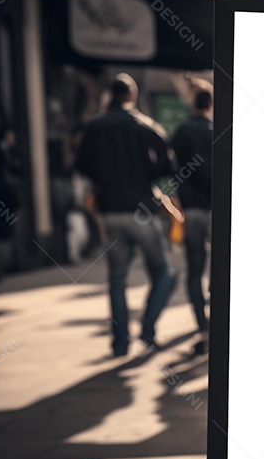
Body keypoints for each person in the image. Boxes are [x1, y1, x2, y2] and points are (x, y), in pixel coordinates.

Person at [74, 73, 176, 357]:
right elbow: (168, 166)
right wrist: (147, 176)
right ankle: (147, 329)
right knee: (164, 273)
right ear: (131, 95)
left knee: (117, 279)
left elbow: (82, 165)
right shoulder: (146, 127)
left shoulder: (94, 127)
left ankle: (120, 343)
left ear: (111, 95)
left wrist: (104, 180)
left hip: (110, 212)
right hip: (142, 210)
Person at [170, 84, 213, 355]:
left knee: (195, 269)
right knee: (222, 269)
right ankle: (218, 325)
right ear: (210, 104)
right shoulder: (218, 130)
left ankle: (202, 325)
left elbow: (172, 168)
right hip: (218, 209)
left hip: (193, 209)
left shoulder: (182, 131)